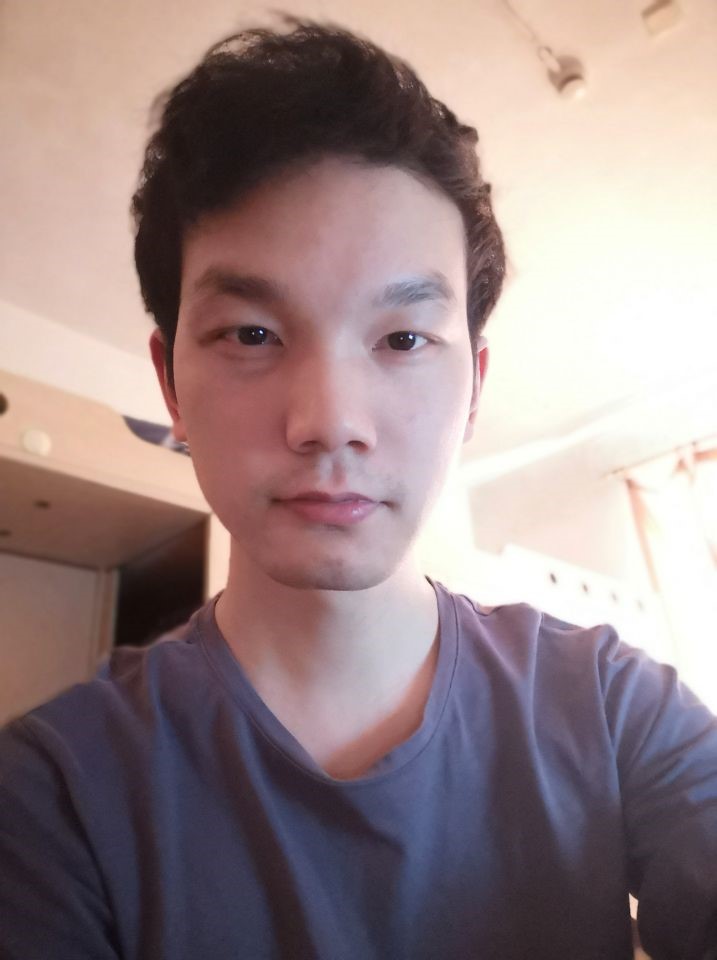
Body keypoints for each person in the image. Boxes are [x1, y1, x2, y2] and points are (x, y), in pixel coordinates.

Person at [1, 17, 716, 960]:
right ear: (170, 383)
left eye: (403, 339)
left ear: (473, 390)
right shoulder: (52, 795)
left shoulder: (615, 707)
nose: (330, 420)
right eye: (252, 335)